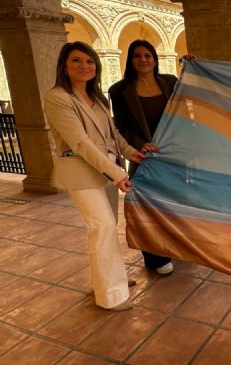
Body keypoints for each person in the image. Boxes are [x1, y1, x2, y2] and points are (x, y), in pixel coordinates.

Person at [44, 41, 146, 310]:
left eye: (89, 61)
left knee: (106, 228)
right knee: (103, 227)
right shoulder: (58, 98)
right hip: (82, 173)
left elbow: (113, 134)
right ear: (64, 66)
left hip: (106, 169)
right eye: (76, 61)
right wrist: (118, 174)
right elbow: (80, 143)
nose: (85, 66)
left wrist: (131, 152)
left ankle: (107, 279)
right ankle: (110, 295)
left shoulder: (96, 97)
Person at [109, 39, 181, 275]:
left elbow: (192, 97)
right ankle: (155, 258)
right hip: (144, 156)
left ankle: (175, 246)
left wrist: (191, 65)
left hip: (172, 155)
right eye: (137, 56)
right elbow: (120, 126)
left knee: (172, 204)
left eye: (148, 55)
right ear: (130, 60)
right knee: (147, 206)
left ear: (155, 59)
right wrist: (141, 144)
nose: (143, 60)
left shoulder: (170, 82)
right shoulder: (119, 90)